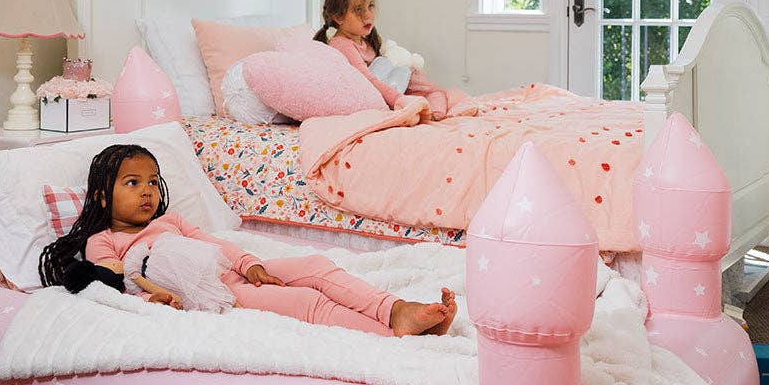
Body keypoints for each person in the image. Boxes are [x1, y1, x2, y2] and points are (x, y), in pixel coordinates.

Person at [39, 144, 457, 338]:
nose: (147, 191)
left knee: (314, 266)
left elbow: (216, 245)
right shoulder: (104, 241)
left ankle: (394, 309)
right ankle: (393, 334)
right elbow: (114, 289)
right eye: (132, 183)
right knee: (305, 302)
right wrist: (154, 300)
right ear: (102, 195)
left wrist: (250, 264)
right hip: (217, 295)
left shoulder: (170, 221)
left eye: (152, 181)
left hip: (229, 273)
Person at [313, 0, 475, 120]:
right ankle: (432, 112)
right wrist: (400, 99)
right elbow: (368, 81)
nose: (368, 15)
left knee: (428, 86)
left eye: (371, 6)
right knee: (385, 64)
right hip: (374, 97)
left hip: (387, 91)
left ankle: (436, 112)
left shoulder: (365, 41)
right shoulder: (342, 44)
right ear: (339, 17)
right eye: (358, 10)